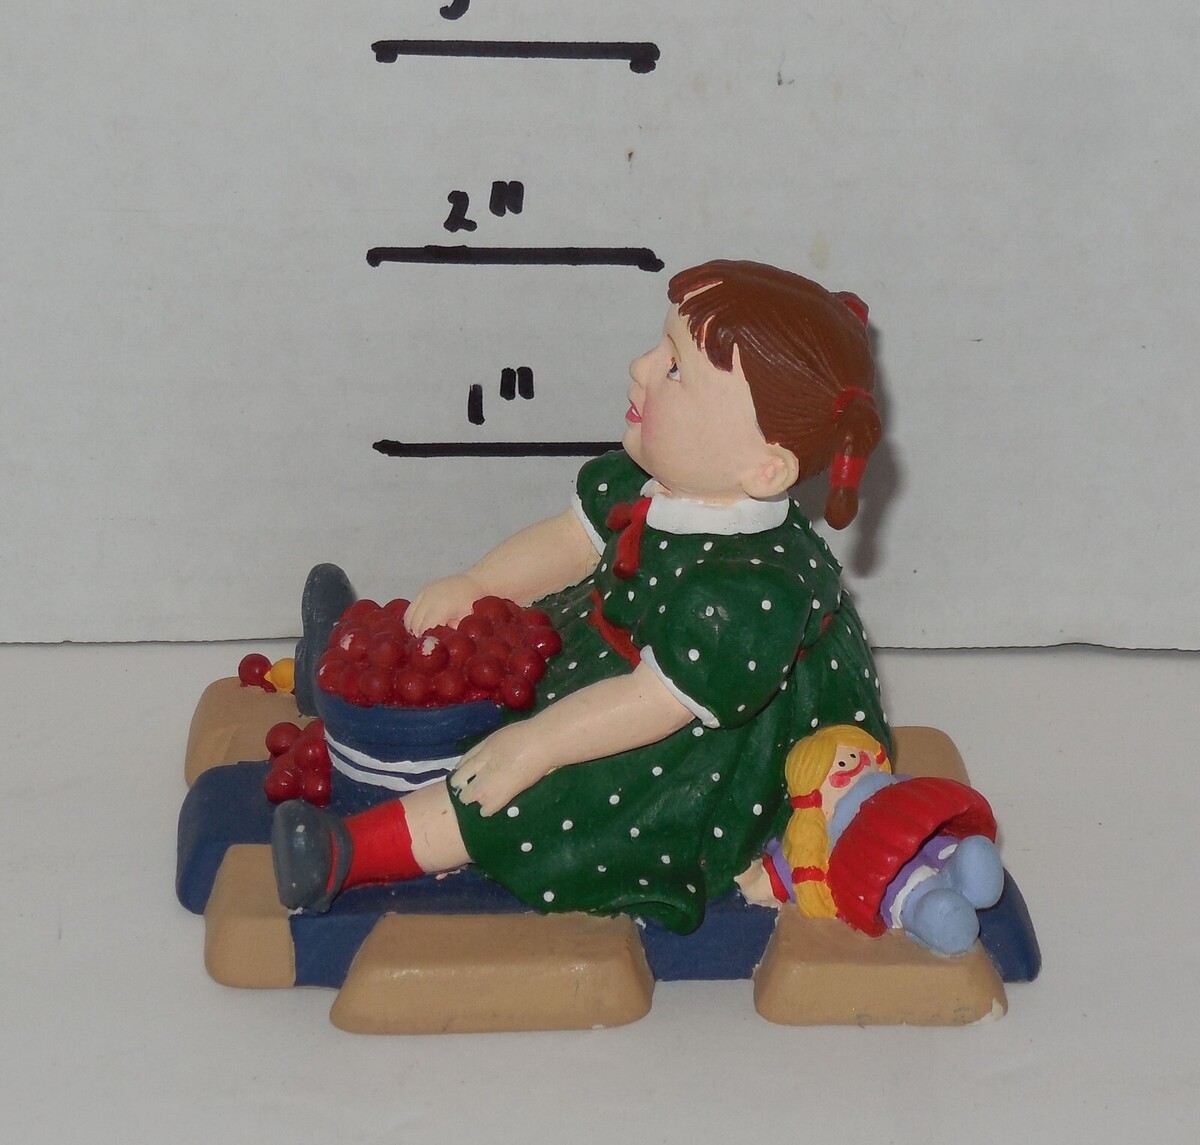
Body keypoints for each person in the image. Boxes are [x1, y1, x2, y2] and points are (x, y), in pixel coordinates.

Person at [273, 259, 890, 935]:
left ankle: (344, 853)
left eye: (675, 369)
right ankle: (342, 668)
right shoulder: (653, 482)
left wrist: (539, 745)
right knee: (494, 635)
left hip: (683, 730)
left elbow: (649, 704)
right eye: (659, 347)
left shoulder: (742, 596)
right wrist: (477, 584)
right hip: (618, 651)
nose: (640, 367)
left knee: (525, 790)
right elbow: (570, 541)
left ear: (766, 468)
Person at [746, 724, 1004, 956]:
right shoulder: (819, 835)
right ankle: (940, 919)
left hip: (936, 852)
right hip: (900, 890)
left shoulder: (900, 787)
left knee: (975, 850)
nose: (852, 764)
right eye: (839, 765)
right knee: (938, 907)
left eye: (856, 755)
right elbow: (790, 868)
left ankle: (969, 880)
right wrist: (757, 882)